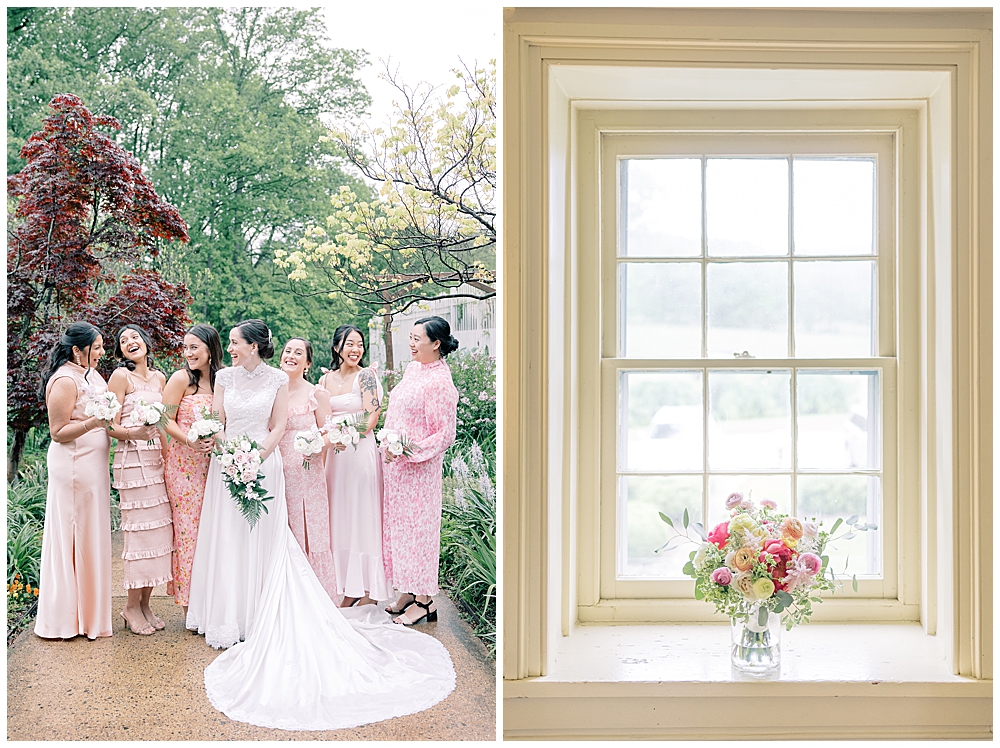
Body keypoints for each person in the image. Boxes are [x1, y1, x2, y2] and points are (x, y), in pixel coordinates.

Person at [187, 319, 455, 731]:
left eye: (238, 342)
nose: (354, 348)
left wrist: (274, 452)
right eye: (348, 342)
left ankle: (377, 592)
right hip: (241, 460)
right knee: (237, 536)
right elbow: (223, 419)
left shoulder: (344, 381)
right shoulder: (248, 378)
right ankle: (233, 608)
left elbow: (360, 417)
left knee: (345, 525)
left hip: (343, 456)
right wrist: (222, 444)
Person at [35, 322, 113, 640]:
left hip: (93, 467)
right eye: (96, 348)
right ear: (77, 350)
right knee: (73, 535)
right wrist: (95, 422)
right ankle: (66, 620)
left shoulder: (90, 375)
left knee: (90, 535)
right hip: (73, 467)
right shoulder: (66, 380)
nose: (103, 353)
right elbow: (58, 432)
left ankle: (91, 617)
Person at [381, 316, 460, 626]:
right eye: (410, 337)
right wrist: (388, 442)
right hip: (397, 469)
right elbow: (397, 409)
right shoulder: (414, 369)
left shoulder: (440, 381)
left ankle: (425, 602)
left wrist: (408, 450)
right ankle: (407, 590)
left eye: (417, 339)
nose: (410, 343)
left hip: (419, 471)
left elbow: (444, 434)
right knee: (398, 531)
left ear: (435, 344)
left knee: (419, 533)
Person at [106, 324, 173, 635]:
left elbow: (165, 424)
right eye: (123, 341)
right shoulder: (121, 377)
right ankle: (130, 605)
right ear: (121, 352)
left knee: (158, 536)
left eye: (134, 336)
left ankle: (146, 603)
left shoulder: (160, 378)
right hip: (132, 464)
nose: (130, 342)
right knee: (139, 536)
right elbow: (108, 426)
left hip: (156, 460)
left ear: (145, 342)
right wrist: (136, 433)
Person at [320, 325, 389, 607]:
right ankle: (346, 584)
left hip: (358, 453)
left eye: (359, 344)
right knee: (339, 515)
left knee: (361, 514)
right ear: (337, 347)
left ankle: (365, 591)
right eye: (349, 344)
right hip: (333, 458)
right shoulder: (325, 381)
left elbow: (372, 414)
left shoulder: (367, 376)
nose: (355, 349)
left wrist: (349, 435)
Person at [162, 323, 222, 614]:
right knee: (189, 532)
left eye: (194, 347)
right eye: (185, 347)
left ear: (210, 349)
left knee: (214, 531)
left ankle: (213, 599)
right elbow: (164, 420)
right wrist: (190, 440)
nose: (188, 353)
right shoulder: (180, 379)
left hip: (217, 467)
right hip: (184, 467)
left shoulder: (223, 382)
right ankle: (189, 606)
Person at [276, 336, 338, 600]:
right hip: (276, 473)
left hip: (307, 473)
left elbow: (330, 433)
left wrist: (314, 445)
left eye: (298, 352)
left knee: (309, 529)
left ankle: (314, 597)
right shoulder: (273, 392)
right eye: (287, 351)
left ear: (307, 363)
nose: (291, 355)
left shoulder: (316, 394)